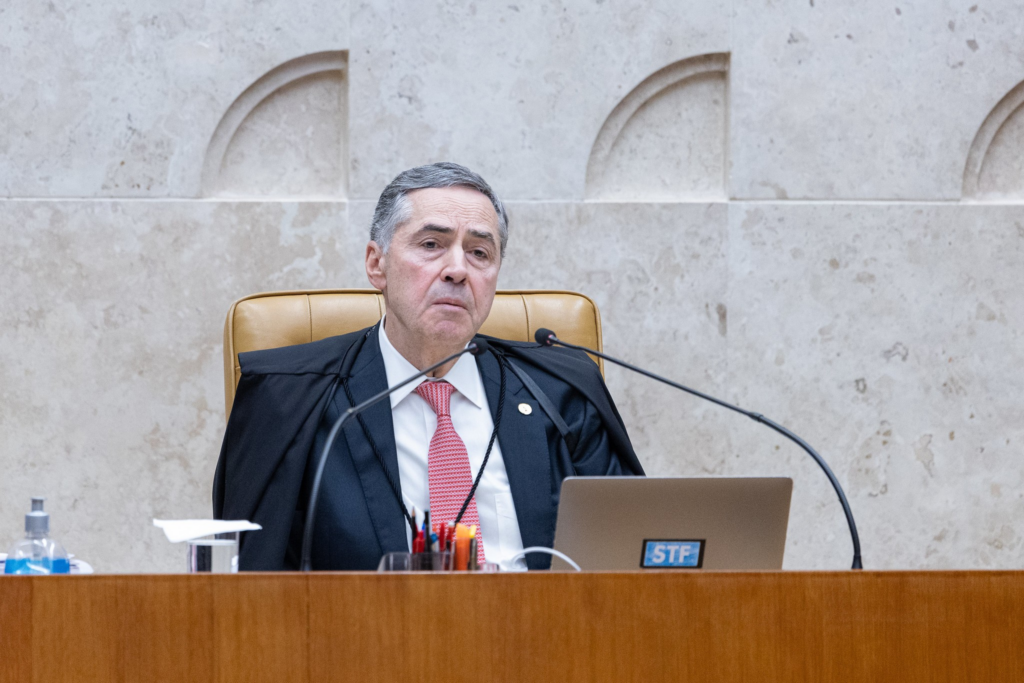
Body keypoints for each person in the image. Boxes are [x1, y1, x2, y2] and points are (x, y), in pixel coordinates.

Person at [213, 162, 643, 571]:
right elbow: (250, 581)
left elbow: (629, 560)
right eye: (431, 245)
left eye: (479, 252)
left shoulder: (562, 392)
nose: (457, 270)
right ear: (376, 264)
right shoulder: (290, 399)